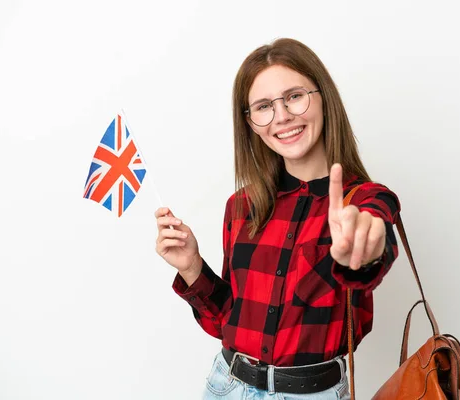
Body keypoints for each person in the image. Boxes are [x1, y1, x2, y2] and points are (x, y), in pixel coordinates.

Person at [154, 38, 401, 399]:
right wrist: (192, 267)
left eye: (294, 96)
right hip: (226, 386)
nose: (282, 116)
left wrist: (364, 250)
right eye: (264, 106)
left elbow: (375, 232)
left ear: (323, 98)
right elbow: (227, 322)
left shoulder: (363, 200)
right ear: (251, 123)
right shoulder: (241, 206)